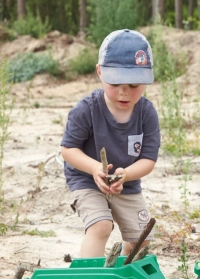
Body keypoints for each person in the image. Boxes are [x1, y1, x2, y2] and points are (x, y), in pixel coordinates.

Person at [60, 29, 159, 258]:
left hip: (127, 181)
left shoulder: (146, 113)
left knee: (140, 239)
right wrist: (95, 168)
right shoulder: (86, 109)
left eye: (134, 85)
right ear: (99, 72)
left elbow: (148, 159)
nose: (124, 92)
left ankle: (123, 274)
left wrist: (126, 174)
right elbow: (68, 149)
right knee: (101, 226)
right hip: (86, 179)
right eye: (116, 83)